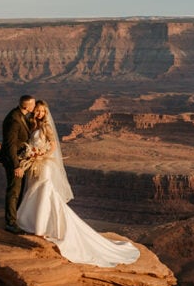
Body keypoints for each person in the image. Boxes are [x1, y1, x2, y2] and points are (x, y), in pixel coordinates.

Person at [16, 100, 140, 268]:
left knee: (43, 190)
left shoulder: (46, 127)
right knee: (35, 190)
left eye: (42, 111)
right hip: (36, 164)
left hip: (44, 165)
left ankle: (41, 228)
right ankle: (36, 222)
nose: (39, 113)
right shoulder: (34, 126)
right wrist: (32, 155)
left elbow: (52, 147)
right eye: (37, 111)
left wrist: (40, 155)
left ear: (46, 113)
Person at [0, 94, 35, 234]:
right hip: (14, 161)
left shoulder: (21, 115)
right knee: (14, 191)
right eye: (32, 105)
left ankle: (16, 217)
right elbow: (10, 145)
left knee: (19, 190)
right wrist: (17, 166)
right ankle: (11, 223)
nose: (34, 106)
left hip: (21, 160)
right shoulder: (14, 120)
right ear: (26, 106)